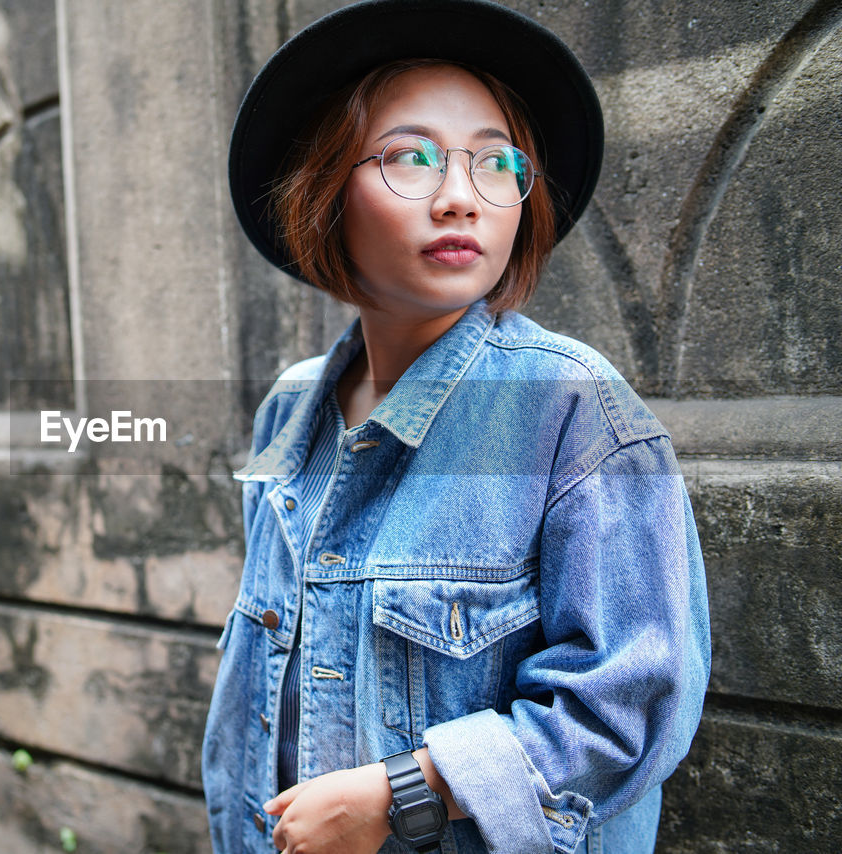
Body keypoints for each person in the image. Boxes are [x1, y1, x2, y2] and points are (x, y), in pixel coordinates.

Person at [202, 1, 711, 852]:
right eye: (411, 157)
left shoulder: (571, 406)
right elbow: (259, 694)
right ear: (325, 186)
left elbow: (631, 710)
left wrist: (407, 790)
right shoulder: (291, 408)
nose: (459, 199)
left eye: (497, 162)